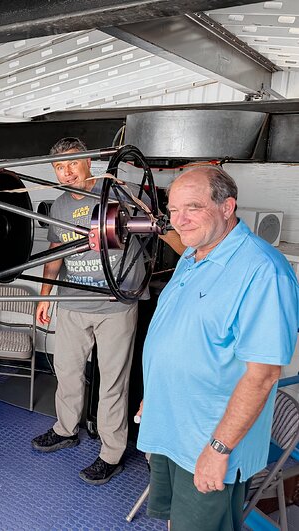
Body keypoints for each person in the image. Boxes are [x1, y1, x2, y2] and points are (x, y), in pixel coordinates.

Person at [137, 166, 299, 530]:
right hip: (173, 428)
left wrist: (218, 450)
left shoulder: (263, 271)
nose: (179, 220)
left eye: (192, 207)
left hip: (208, 442)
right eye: (173, 210)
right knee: (175, 522)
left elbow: (263, 375)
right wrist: (156, 396)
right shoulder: (194, 254)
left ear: (227, 207)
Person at [30, 137, 183, 485]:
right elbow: (55, 253)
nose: (66, 172)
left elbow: (160, 227)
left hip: (116, 305)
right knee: (67, 372)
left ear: (88, 163)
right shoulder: (59, 206)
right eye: (59, 167)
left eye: (72, 163)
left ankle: (111, 453)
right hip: (73, 303)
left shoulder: (121, 191)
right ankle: (66, 429)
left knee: (113, 383)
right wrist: (45, 296)